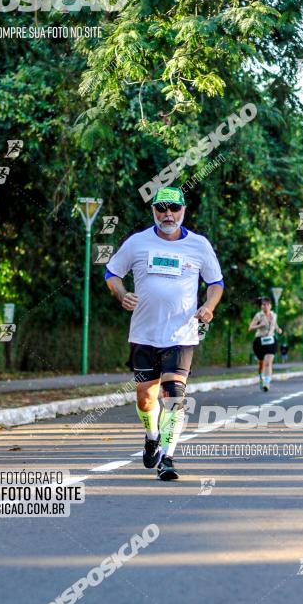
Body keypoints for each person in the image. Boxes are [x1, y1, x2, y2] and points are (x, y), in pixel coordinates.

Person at [105, 186, 223, 481]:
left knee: (174, 396)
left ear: (183, 210)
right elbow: (112, 273)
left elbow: (216, 283)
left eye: (174, 208)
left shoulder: (199, 245)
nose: (168, 214)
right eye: (161, 208)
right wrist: (121, 295)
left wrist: (209, 305)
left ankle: (167, 457)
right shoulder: (137, 243)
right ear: (153, 211)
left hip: (181, 335)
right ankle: (151, 435)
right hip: (144, 334)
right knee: (146, 398)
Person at [248, 297, 281, 391]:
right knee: (262, 363)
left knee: (268, 362)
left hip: (271, 341)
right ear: (261, 306)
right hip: (260, 341)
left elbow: (275, 324)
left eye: (267, 304)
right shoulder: (258, 316)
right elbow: (250, 328)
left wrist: (278, 329)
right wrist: (259, 325)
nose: (265, 306)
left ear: (270, 306)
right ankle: (261, 378)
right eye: (263, 305)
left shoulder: (274, 315)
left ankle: (267, 382)